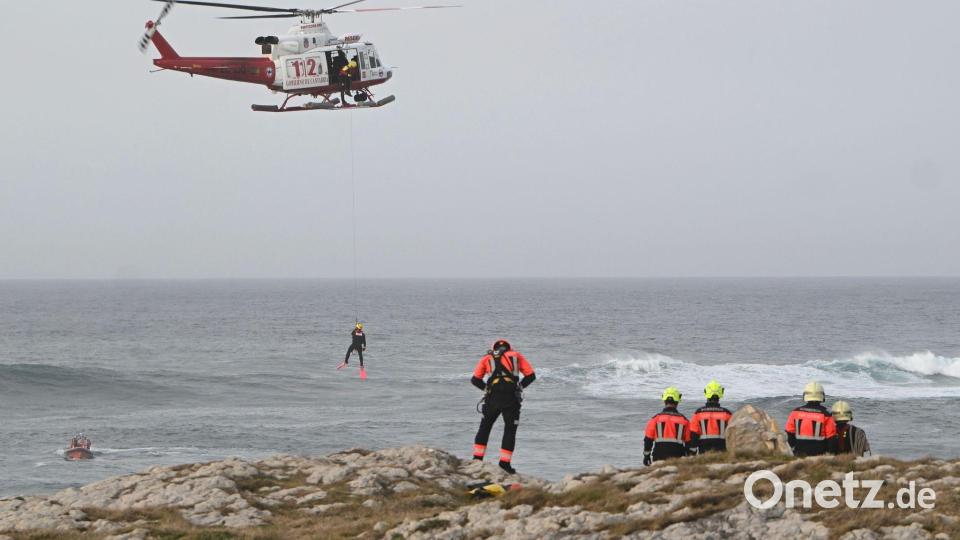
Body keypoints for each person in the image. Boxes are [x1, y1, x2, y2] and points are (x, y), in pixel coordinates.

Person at [470, 339, 536, 474]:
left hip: (492, 398)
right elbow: (531, 376)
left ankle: (477, 459)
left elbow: (475, 380)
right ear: (509, 348)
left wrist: (487, 389)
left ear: (493, 348)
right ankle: (504, 464)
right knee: (510, 430)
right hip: (511, 398)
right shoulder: (516, 356)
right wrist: (519, 387)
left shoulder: (486, 358)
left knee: (485, 427)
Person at [785, 381, 837, 457]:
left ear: (805, 396)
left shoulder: (795, 413)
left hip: (799, 454)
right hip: (819, 456)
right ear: (822, 396)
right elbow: (831, 439)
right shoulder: (826, 415)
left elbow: (789, 436)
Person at [643, 387, 692, 465]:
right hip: (678, 457)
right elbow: (689, 443)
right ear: (678, 401)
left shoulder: (655, 419)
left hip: (658, 457)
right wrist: (690, 456)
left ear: (664, 400)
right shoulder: (684, 421)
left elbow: (648, 440)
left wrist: (646, 456)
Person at [689, 380, 733, 454]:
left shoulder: (698, 413)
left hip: (704, 449)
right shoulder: (727, 413)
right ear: (721, 393)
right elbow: (732, 434)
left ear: (706, 393)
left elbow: (693, 434)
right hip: (722, 449)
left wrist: (692, 451)